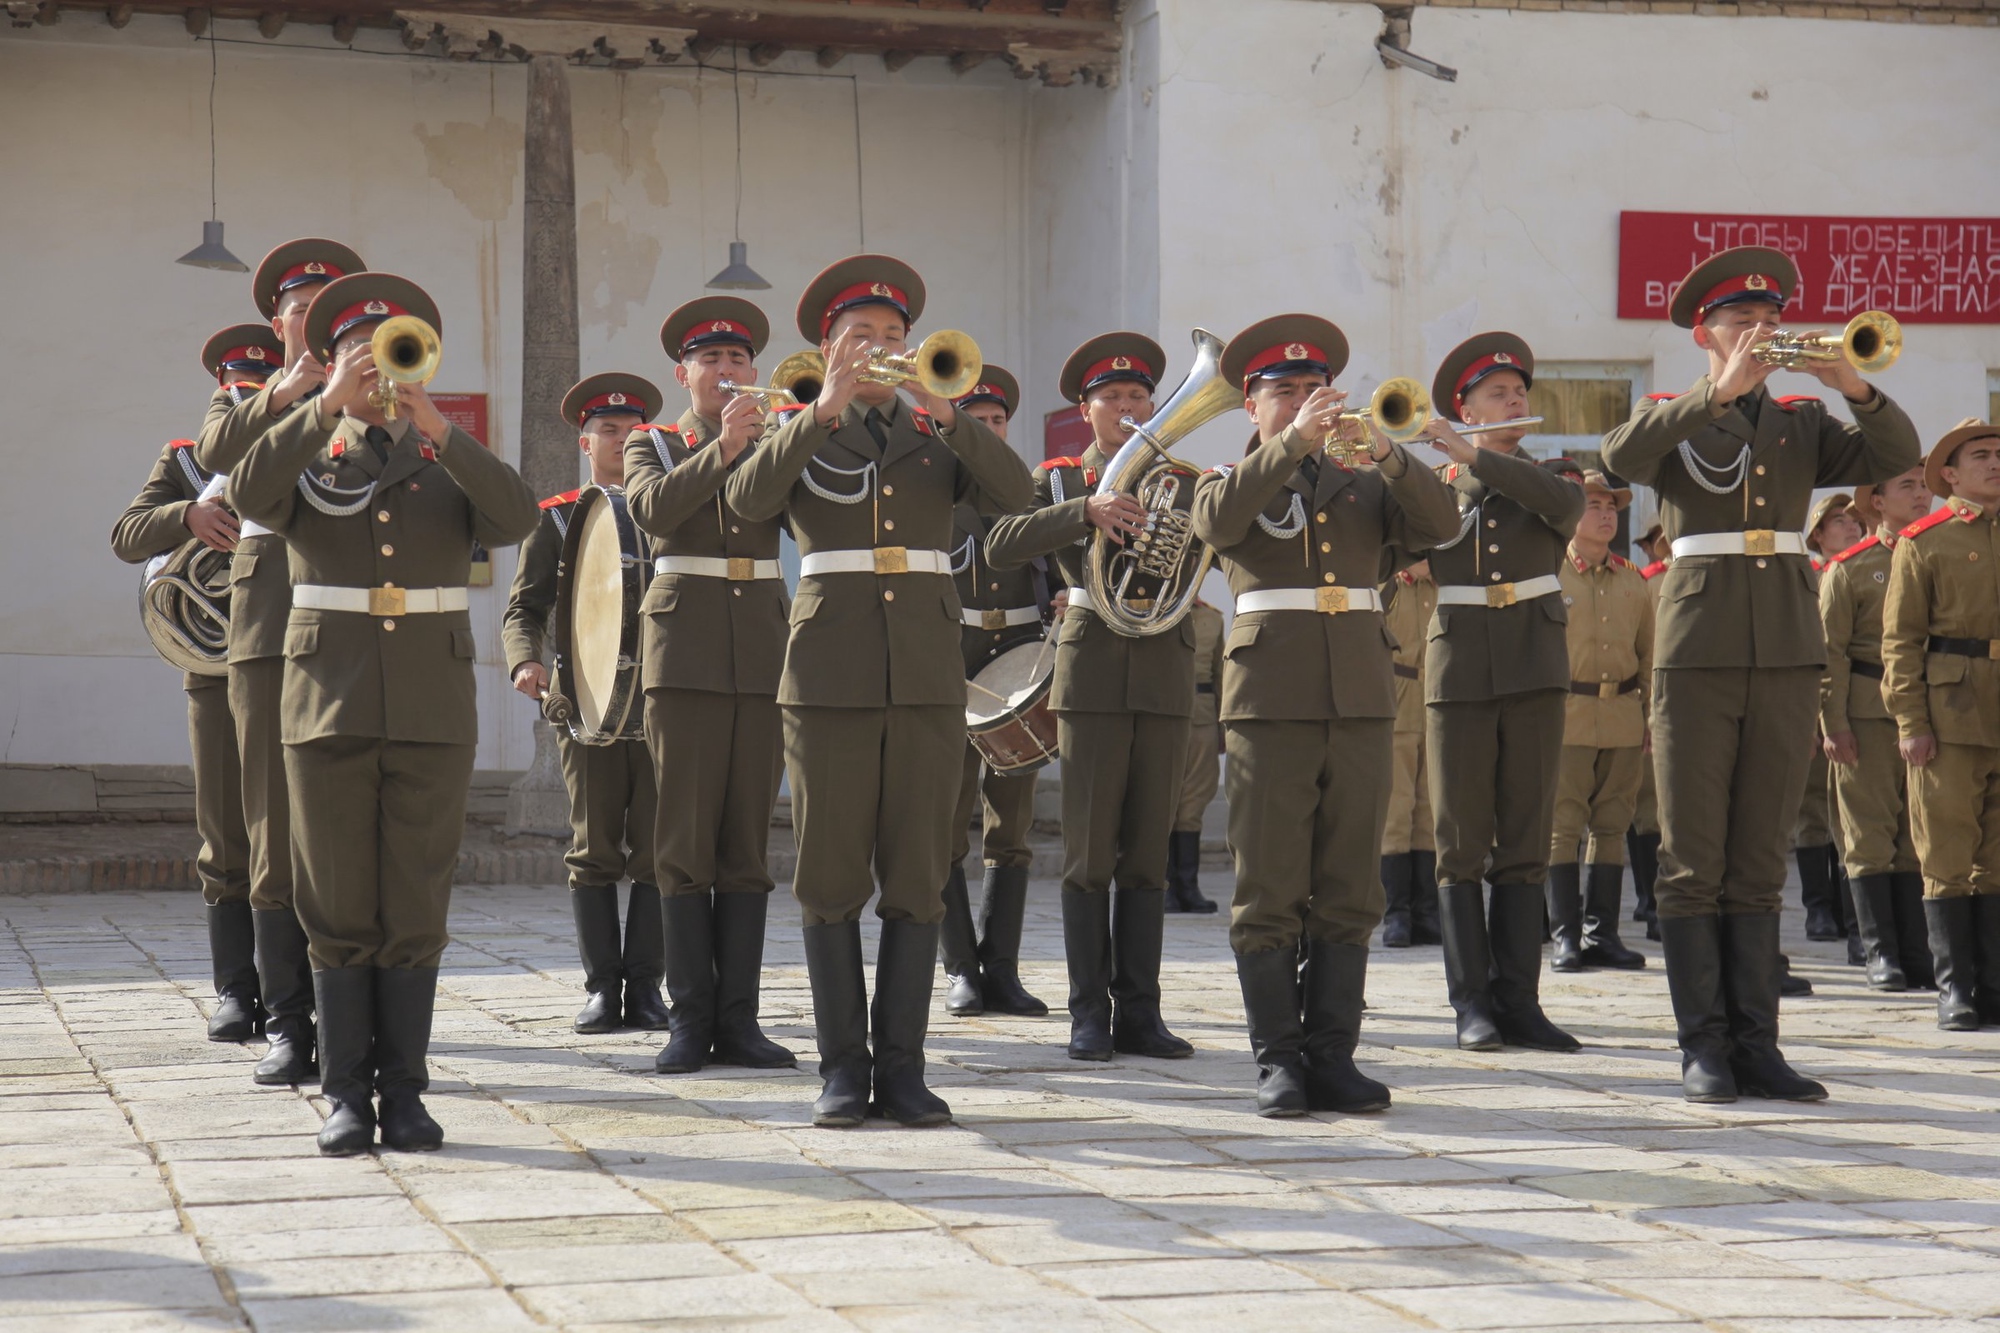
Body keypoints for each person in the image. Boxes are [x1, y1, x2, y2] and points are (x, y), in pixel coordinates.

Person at [1601, 245, 1919, 1102]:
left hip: (1783, 645)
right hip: (1698, 649)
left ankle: (1756, 1042)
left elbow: (1896, 450)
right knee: (1693, 853)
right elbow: (1619, 461)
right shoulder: (1677, 417)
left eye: (1772, 324)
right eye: (1746, 323)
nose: (1764, 335)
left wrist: (1848, 380)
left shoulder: (1800, 426)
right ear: (1707, 332)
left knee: (1758, 853)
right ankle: (1702, 1044)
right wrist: (1720, 389)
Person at [231, 272, 538, 1155]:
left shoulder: (444, 454)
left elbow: (514, 514)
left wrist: (441, 427)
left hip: (432, 706)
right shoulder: (309, 449)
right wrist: (322, 404)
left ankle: (403, 1090)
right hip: (325, 697)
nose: (377, 368)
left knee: (415, 898)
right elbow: (251, 493)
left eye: (389, 350)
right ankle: (345, 1095)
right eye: (356, 355)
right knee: (334, 900)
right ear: (332, 365)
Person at [725, 256, 1033, 1126]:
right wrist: (818, 412)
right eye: (863, 337)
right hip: (830, 677)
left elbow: (1017, 495)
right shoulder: (803, 423)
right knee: (829, 875)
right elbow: (748, 499)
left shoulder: (938, 434)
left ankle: (902, 1067)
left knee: (917, 874)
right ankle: (840, 1067)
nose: (883, 350)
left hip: (929, 675)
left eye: (896, 337)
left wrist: (953, 417)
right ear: (828, 349)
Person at [1190, 315, 1458, 1115]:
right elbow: (1215, 526)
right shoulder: (1227, 475)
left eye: (1317, 390)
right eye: (1286, 392)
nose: (1307, 402)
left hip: (1360, 694)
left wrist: (1385, 452)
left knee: (1348, 882)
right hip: (1270, 697)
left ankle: (1332, 1052)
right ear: (1252, 406)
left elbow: (1441, 527)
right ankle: (1278, 1056)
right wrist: (1292, 446)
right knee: (1270, 881)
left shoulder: (1368, 480)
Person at [984, 333, 1200, 1064]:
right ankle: (1088, 1013)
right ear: (1088, 410)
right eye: (1114, 398)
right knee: (1087, 855)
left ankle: (1142, 1010)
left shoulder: (1183, 478)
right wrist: (1084, 511)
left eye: (1140, 397)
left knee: (1146, 854)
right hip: (1094, 672)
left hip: (1164, 672)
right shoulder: (1055, 480)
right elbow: (1002, 542)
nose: (1129, 407)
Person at [196, 237, 367, 1086]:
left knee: (344, 827)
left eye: (331, 306)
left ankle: (357, 1021)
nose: (316, 319)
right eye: (302, 308)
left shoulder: (376, 390)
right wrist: (291, 392)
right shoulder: (249, 396)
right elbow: (219, 457)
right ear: (279, 320)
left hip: (349, 617)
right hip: (268, 616)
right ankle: (289, 1024)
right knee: (269, 826)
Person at [622, 297, 798, 1075]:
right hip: (684, 656)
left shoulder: (778, 440)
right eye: (710, 362)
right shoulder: (651, 441)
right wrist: (722, 450)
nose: (725, 373)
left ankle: (741, 1019)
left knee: (747, 846)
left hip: (761, 651)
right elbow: (654, 512)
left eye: (737, 363)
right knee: (685, 842)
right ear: (682, 374)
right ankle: (689, 1018)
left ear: (755, 374)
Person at [1418, 332, 1585, 1054]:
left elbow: (1560, 506)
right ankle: (1471, 1003)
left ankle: (1521, 999)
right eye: (1497, 395)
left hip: (1533, 659)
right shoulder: (1433, 487)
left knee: (1525, 838)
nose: (1514, 401)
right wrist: (1437, 461)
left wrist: (1473, 454)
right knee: (1460, 842)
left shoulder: (1555, 473)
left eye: (1519, 393)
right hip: (1459, 663)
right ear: (1464, 407)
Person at [111, 330, 273, 1045]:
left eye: (259, 383)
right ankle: (238, 990)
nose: (244, 392)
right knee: (227, 834)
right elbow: (126, 533)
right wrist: (188, 515)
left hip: (302, 663)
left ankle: (300, 990)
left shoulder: (315, 459)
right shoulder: (184, 461)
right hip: (216, 670)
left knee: (302, 834)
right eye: (236, 385)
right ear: (219, 390)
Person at [504, 373, 668, 1036]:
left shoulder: (672, 508)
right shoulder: (557, 515)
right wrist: (526, 660)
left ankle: (648, 989)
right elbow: (526, 604)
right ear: (585, 440)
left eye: (632, 429)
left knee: (659, 850)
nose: (621, 437)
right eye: (607, 428)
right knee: (594, 847)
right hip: (587, 703)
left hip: (661, 702)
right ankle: (604, 987)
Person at [939, 366, 1056, 1016]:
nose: (989, 432)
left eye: (997, 422)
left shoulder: (1027, 493)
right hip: (951, 667)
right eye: (976, 421)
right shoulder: (932, 493)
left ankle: (1001, 968)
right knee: (944, 821)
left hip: (1017, 665)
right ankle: (960, 967)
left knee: (1010, 826)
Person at [1882, 420, 2000, 1031]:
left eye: (1999, 453)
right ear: (1949, 474)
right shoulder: (1925, 540)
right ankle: (1954, 987)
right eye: (1980, 455)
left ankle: (1994, 983)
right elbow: (1901, 642)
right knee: (1947, 852)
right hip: (1950, 712)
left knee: (1997, 857)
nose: (1995, 462)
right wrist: (1910, 720)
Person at [1823, 466, 1936, 991]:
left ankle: (1916, 951)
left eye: (1923, 485)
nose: (1921, 494)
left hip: (1927, 712)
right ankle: (1878, 951)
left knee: (1917, 836)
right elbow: (1830, 656)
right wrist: (1834, 723)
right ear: (1876, 502)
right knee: (1868, 834)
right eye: (1907, 487)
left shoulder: (1935, 553)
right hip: (1866, 714)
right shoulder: (1850, 568)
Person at [1547, 471, 1651, 972]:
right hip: (1565, 716)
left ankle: (1602, 932)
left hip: (1623, 716)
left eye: (1612, 506)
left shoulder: (1633, 580)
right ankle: (1565, 934)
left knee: (1611, 827)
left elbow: (1648, 656)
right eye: (1594, 505)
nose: (1607, 514)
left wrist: (1650, 714)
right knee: (1562, 827)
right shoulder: (1549, 574)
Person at [1797, 493, 1867, 944]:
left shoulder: (1872, 569)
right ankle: (1817, 907)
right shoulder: (1802, 577)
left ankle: (1850, 909)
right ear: (1818, 535)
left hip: (1855, 703)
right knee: (1810, 810)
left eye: (1855, 520)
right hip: (1808, 704)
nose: (1851, 527)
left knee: (1854, 811)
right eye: (1839, 521)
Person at [1379, 561, 1440, 948]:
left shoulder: (1447, 585)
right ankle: (1396, 913)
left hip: (1437, 702)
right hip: (1396, 701)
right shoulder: (1387, 586)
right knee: (1396, 811)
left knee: (1431, 811)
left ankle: (1428, 911)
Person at [1168, 599, 1223, 915]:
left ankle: (1188, 887)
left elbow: (1220, 673)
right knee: (1162, 801)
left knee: (1194, 802)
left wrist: (1223, 725)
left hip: (1202, 715)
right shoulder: (1152, 611)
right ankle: (1163, 886)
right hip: (1162, 714)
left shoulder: (1212, 618)